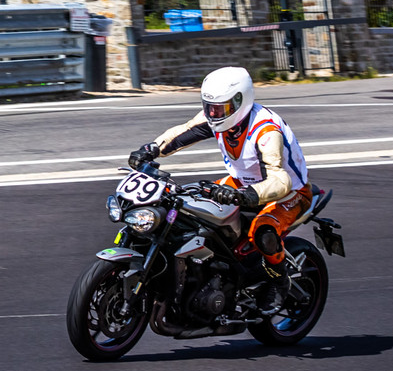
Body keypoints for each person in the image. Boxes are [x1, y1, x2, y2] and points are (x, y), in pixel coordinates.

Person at [127, 67, 313, 310]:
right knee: (191, 209)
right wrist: (151, 149)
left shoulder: (266, 131)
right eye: (209, 107)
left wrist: (247, 195)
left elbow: (280, 180)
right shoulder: (216, 118)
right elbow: (182, 133)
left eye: (220, 108)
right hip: (242, 182)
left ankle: (279, 282)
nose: (213, 114)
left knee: (264, 232)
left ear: (240, 101)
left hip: (290, 193)